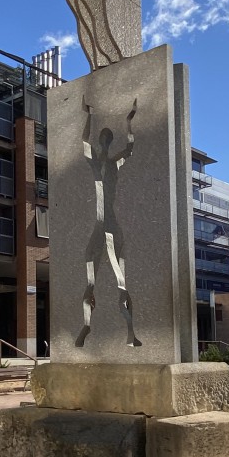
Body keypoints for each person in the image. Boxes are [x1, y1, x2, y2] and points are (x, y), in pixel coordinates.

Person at [75, 95, 141, 348]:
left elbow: (131, 148)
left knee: (120, 280)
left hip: (111, 225)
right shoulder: (93, 161)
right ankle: (86, 327)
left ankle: (131, 333)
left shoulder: (115, 163)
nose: (103, 142)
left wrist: (129, 120)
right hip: (98, 226)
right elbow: (83, 141)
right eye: (101, 139)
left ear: (110, 142)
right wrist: (89, 115)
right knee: (90, 279)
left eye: (106, 139)